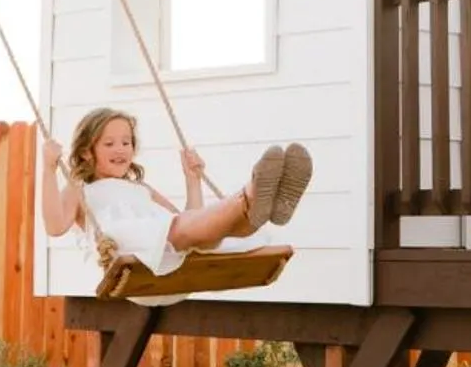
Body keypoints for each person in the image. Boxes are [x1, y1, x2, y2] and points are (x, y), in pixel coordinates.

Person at [39, 108, 311, 275]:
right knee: (181, 229)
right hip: (135, 252)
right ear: (87, 151)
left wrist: (192, 179)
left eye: (126, 142)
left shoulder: (141, 188)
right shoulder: (80, 188)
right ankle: (253, 193)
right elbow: (55, 226)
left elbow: (191, 219)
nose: (121, 149)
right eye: (109, 143)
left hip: (172, 249)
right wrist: (49, 170)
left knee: (212, 233)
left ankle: (264, 206)